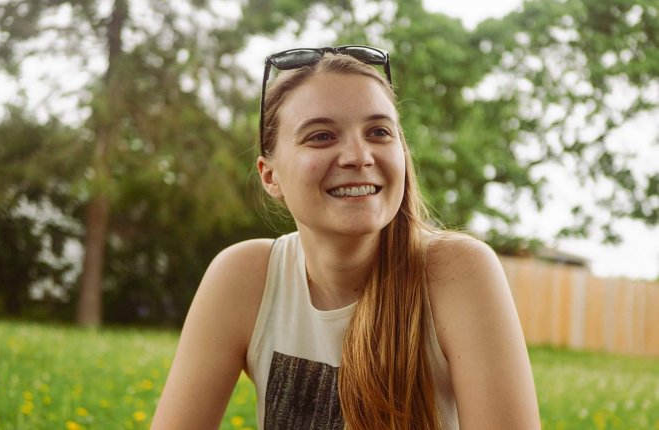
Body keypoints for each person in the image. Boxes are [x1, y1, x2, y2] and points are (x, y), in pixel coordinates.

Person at [151, 46, 541, 430]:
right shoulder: (245, 277)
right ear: (270, 176)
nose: (359, 156)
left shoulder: (456, 272)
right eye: (321, 136)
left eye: (378, 132)